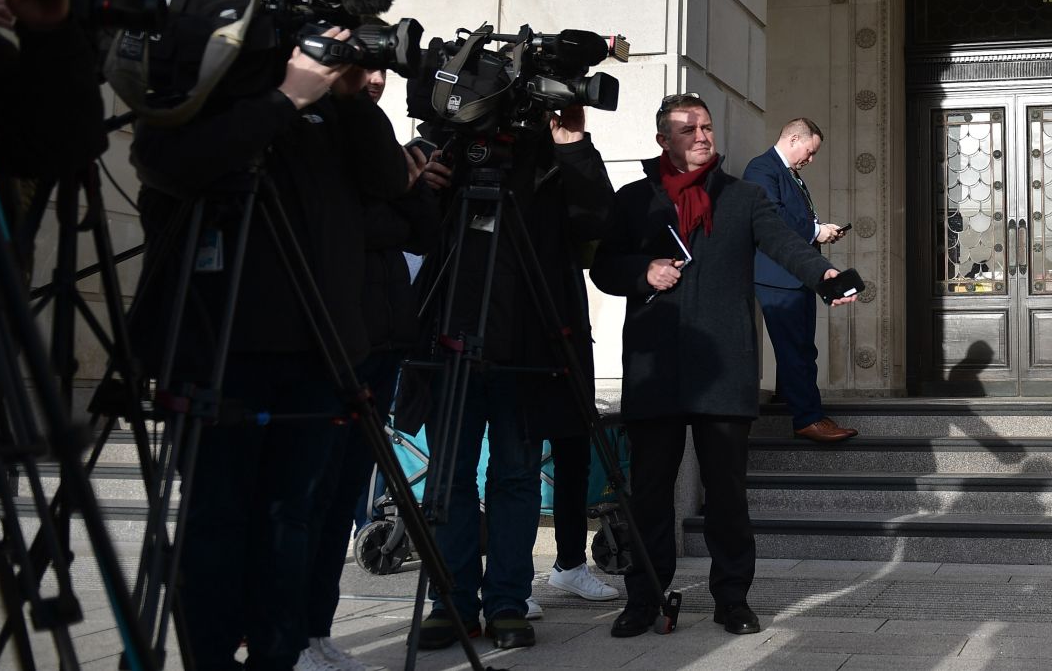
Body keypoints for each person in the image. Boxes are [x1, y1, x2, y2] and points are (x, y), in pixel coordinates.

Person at [130, 26, 409, 671]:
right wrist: (284, 98)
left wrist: (343, 96)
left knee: (294, 521)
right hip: (217, 347)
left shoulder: (338, 114)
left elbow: (389, 181)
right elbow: (166, 165)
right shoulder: (208, 91)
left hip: (317, 352)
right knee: (216, 520)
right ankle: (209, 655)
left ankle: (278, 654)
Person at [591, 94, 853, 639]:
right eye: (688, 130)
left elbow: (786, 245)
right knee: (650, 494)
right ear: (664, 139)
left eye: (707, 127)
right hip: (655, 369)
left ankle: (732, 598)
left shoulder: (744, 197)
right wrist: (644, 272)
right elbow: (603, 267)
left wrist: (825, 277)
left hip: (725, 369)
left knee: (728, 494)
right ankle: (644, 598)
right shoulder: (635, 200)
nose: (702, 137)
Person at [401, 101, 618, 651]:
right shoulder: (450, 143)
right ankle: (450, 602)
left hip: (526, 345)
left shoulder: (551, 155)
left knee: (516, 478)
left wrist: (572, 147)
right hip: (451, 338)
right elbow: (412, 228)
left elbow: (597, 224)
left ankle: (506, 602)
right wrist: (421, 177)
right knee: (448, 480)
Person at [296, 67, 448, 671]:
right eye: (363, 65)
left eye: (382, 66)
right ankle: (286, 633)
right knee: (309, 495)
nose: (377, 78)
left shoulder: (379, 133)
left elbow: (427, 233)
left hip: (384, 340)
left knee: (342, 501)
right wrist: (397, 197)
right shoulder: (313, 126)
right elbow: (345, 228)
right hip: (331, 340)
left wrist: (408, 187)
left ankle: (316, 630)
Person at [742, 118, 853, 443]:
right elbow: (772, 220)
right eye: (809, 151)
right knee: (795, 348)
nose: (811, 159)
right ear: (792, 138)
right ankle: (807, 418)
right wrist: (816, 231)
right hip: (777, 277)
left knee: (803, 347)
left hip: (795, 274)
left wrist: (820, 230)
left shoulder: (789, 174)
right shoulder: (762, 168)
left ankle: (805, 407)